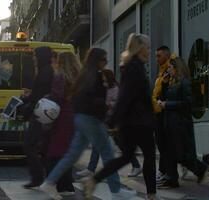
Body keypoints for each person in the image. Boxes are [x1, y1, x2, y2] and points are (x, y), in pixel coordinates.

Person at [39, 48, 136, 200]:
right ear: (97, 60)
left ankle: (49, 182)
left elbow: (76, 97)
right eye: (104, 59)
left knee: (72, 155)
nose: (106, 62)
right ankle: (116, 191)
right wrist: (105, 109)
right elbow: (92, 99)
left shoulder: (84, 75)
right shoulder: (94, 76)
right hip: (91, 119)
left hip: (80, 118)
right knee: (108, 153)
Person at [83, 34, 157, 200]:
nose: (149, 50)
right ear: (139, 48)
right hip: (138, 121)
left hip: (131, 121)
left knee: (127, 157)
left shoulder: (131, 66)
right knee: (148, 156)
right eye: (148, 46)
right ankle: (151, 195)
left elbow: (127, 96)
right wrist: (113, 120)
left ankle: (94, 179)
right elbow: (126, 96)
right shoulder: (134, 68)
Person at [77, 69, 142, 178]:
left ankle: (135, 165)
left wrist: (106, 104)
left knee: (120, 144)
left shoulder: (115, 88)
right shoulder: (104, 88)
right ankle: (91, 168)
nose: (103, 81)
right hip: (105, 119)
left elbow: (117, 104)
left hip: (113, 121)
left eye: (104, 79)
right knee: (97, 143)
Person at [156, 57, 209, 188]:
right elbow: (165, 97)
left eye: (170, 68)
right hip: (171, 123)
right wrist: (164, 84)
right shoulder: (173, 82)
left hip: (180, 124)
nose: (168, 70)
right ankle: (172, 179)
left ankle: (200, 169)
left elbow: (187, 103)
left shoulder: (185, 82)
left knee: (181, 155)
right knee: (171, 153)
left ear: (177, 68)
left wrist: (167, 104)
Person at [43, 52, 80, 195]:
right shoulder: (78, 77)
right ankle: (67, 184)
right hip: (75, 115)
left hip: (62, 116)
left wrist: (47, 97)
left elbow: (56, 97)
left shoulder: (60, 77)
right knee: (67, 150)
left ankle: (57, 183)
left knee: (56, 150)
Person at [21, 46, 55, 189]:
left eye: (35, 56)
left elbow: (38, 96)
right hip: (42, 113)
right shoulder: (45, 71)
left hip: (41, 114)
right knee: (45, 147)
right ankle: (51, 177)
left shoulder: (45, 72)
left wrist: (27, 105)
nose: (34, 58)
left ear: (41, 57)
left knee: (29, 144)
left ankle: (38, 177)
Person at [152, 46, 171, 183]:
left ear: (166, 55)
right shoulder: (161, 71)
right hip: (158, 111)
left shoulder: (169, 70)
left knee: (164, 144)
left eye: (159, 56)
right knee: (161, 143)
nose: (156, 58)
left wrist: (161, 102)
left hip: (164, 111)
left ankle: (164, 171)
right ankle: (164, 171)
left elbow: (168, 91)